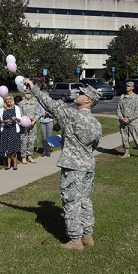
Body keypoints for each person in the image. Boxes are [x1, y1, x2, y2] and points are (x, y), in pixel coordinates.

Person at [25, 79, 102, 251]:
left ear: (88, 100)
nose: (78, 94)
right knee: (85, 200)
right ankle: (87, 235)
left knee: (71, 201)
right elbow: (94, 145)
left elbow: (49, 104)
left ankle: (75, 240)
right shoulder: (96, 124)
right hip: (88, 165)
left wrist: (34, 88)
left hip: (73, 166)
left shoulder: (72, 115)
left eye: (82, 93)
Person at [117, 81, 138, 160]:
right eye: (126, 86)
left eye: (129, 86)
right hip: (123, 121)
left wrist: (129, 119)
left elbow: (137, 111)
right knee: (124, 137)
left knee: (137, 137)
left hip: (133, 122)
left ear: (132, 88)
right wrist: (121, 118)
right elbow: (118, 109)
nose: (127, 87)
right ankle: (126, 152)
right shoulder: (122, 97)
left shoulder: (136, 98)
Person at [0, 94, 21, 170]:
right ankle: (8, 165)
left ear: (12, 100)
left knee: (14, 147)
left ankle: (14, 164)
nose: (8, 101)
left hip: (14, 129)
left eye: (9, 99)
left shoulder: (16, 108)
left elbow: (20, 120)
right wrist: (5, 121)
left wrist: (16, 118)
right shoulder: (2, 109)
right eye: (7, 99)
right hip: (6, 129)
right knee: (7, 147)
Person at [19, 89, 41, 164]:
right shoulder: (21, 103)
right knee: (24, 141)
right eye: (26, 93)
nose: (28, 95)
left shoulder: (35, 103)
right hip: (24, 125)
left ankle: (30, 156)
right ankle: (23, 157)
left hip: (33, 124)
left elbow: (38, 113)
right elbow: (20, 114)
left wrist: (34, 120)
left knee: (31, 140)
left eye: (29, 93)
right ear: (24, 94)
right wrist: (27, 117)